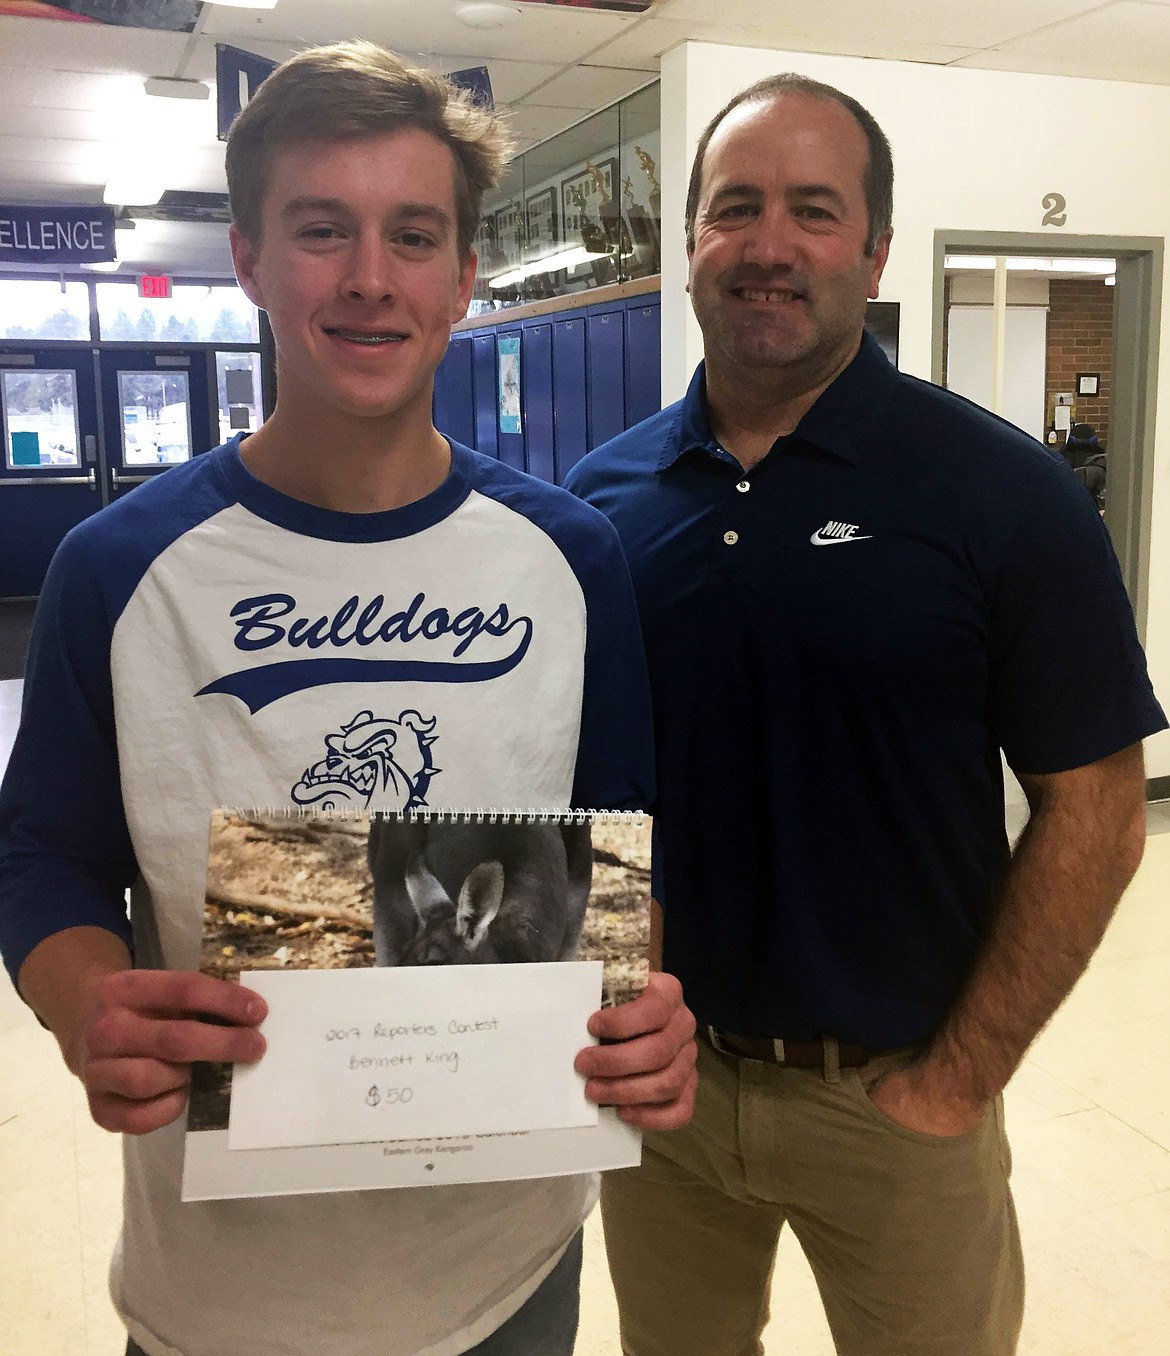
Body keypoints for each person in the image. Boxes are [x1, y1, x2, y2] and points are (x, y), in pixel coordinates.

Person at [0, 42, 696, 1356]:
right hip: (223, 1293)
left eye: (412, 234)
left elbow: (617, 842)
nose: (369, 278)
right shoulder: (116, 567)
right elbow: (44, 859)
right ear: (250, 262)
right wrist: (84, 998)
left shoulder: (570, 558)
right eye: (322, 230)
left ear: (461, 274)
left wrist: (638, 1007)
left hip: (508, 1264)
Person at [566, 72, 1165, 1356]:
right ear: (689, 244)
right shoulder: (600, 502)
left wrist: (958, 1082)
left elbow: (1101, 809)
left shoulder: (1002, 492)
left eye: (815, 210)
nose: (769, 244)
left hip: (895, 1102)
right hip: (660, 1095)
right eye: (735, 207)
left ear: (877, 246)